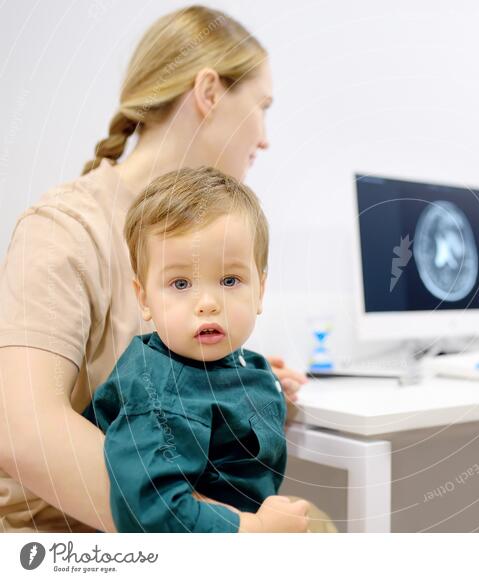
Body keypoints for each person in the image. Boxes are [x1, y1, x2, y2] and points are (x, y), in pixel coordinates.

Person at [0, 5, 307, 533]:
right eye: (262, 107)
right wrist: (227, 531)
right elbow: (21, 432)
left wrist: (226, 389)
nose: (265, 138)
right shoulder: (66, 229)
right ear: (208, 93)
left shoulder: (197, 238)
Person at [83, 167, 311, 533]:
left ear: (260, 291)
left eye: (230, 280)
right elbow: (149, 511)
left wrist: (259, 387)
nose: (207, 303)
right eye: (180, 283)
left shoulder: (229, 362)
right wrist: (255, 531)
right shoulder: (156, 394)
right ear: (144, 299)